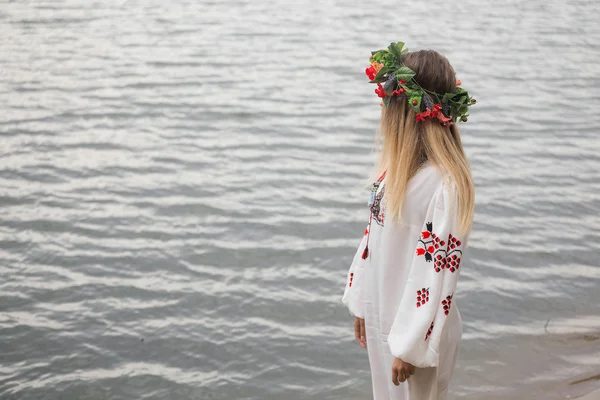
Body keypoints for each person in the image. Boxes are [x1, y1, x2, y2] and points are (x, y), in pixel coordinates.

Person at [342, 42, 476, 400]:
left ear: (406, 110)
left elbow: (438, 270)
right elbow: (372, 237)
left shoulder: (443, 185)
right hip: (383, 308)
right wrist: (360, 299)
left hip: (417, 328)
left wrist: (413, 342)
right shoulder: (396, 174)